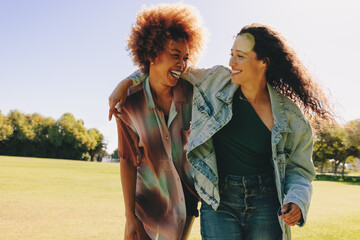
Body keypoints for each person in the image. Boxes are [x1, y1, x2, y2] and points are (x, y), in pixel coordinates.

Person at [110, 24, 334, 239]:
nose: (231, 62)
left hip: (266, 202)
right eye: (231, 54)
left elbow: (300, 169)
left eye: (240, 56)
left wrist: (297, 201)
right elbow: (166, 67)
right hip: (218, 199)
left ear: (263, 62)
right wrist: (127, 82)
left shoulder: (291, 117)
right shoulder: (216, 81)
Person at [111, 3, 205, 240]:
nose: (182, 64)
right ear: (152, 54)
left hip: (186, 204)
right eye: (175, 56)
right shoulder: (129, 104)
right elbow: (128, 161)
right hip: (147, 207)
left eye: (185, 57)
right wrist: (129, 216)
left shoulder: (193, 95)